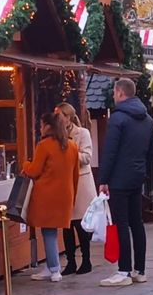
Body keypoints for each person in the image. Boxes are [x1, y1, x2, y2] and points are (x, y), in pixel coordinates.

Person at [99, 78, 153, 287]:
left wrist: (103, 179)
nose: (114, 97)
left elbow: (110, 150)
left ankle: (123, 270)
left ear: (120, 93)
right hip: (137, 177)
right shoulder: (148, 120)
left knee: (121, 223)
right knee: (137, 223)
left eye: (115, 93)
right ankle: (139, 269)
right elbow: (152, 152)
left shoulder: (118, 118)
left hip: (118, 179)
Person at [23, 112, 79, 283]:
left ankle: (54, 268)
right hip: (65, 194)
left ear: (48, 126)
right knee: (52, 231)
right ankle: (51, 266)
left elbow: (34, 171)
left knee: (48, 231)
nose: (40, 128)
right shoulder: (72, 146)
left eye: (41, 125)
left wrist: (25, 163)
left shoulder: (44, 145)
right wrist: (73, 196)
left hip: (46, 195)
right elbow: (75, 175)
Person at [55, 103, 97, 275]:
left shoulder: (82, 133)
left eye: (60, 116)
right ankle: (70, 261)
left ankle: (86, 260)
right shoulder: (55, 135)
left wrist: (68, 153)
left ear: (68, 117)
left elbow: (87, 157)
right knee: (66, 225)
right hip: (64, 184)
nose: (57, 119)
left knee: (80, 225)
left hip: (80, 183)